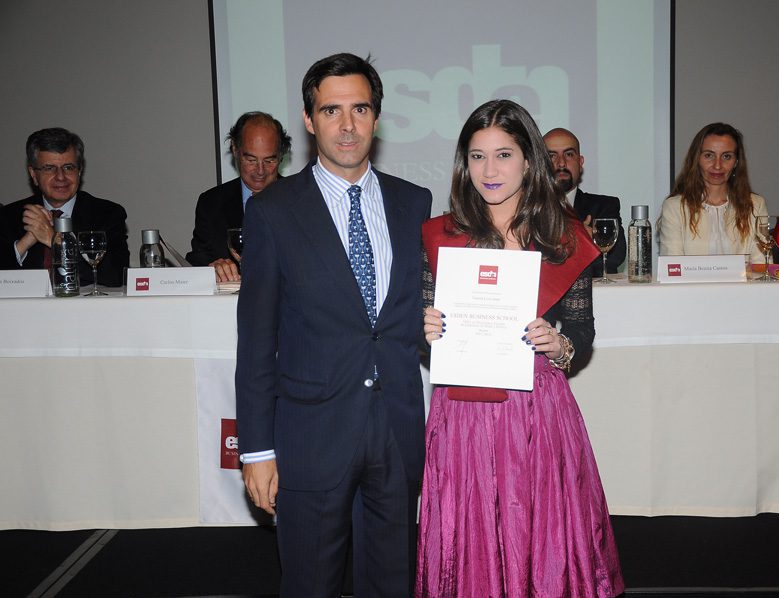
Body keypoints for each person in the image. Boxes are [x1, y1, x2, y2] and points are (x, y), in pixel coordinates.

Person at [235, 53, 432, 597]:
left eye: (360, 109)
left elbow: (411, 314)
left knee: (393, 584)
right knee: (310, 584)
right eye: (331, 111)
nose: (347, 125)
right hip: (311, 437)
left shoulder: (414, 203)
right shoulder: (273, 211)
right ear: (308, 119)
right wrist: (256, 450)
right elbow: (256, 344)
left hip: (396, 432)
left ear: (377, 117)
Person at [417, 100, 624, 597]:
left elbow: (581, 332)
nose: (489, 171)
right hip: (464, 412)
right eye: (477, 156)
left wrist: (559, 344)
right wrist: (427, 329)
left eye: (503, 155)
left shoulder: (562, 236)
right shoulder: (442, 236)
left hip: (537, 412)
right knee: (470, 540)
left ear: (529, 160)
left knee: (541, 538)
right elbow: (424, 337)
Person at [0, 128, 129, 286]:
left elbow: (115, 275)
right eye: (49, 168)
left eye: (68, 167)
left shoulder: (107, 214)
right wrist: (24, 243)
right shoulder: (8, 216)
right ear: (33, 174)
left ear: (79, 171)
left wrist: (55, 241)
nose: (60, 177)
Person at [185, 111, 291, 282]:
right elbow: (197, 260)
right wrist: (212, 268)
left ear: (280, 156)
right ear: (235, 150)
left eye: (269, 161)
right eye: (251, 160)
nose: (260, 171)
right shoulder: (211, 203)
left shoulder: (299, 201)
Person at [658, 122, 768, 261]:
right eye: (709, 155)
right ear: (697, 159)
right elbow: (673, 266)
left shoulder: (755, 205)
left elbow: (762, 265)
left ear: (736, 162)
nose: (717, 165)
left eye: (726, 156)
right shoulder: (674, 207)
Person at [543, 127, 626, 276]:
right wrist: (578, 239)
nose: (561, 163)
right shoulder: (523, 208)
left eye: (569, 154)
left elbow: (614, 259)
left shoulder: (604, 206)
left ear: (580, 162)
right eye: (552, 156)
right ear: (540, 164)